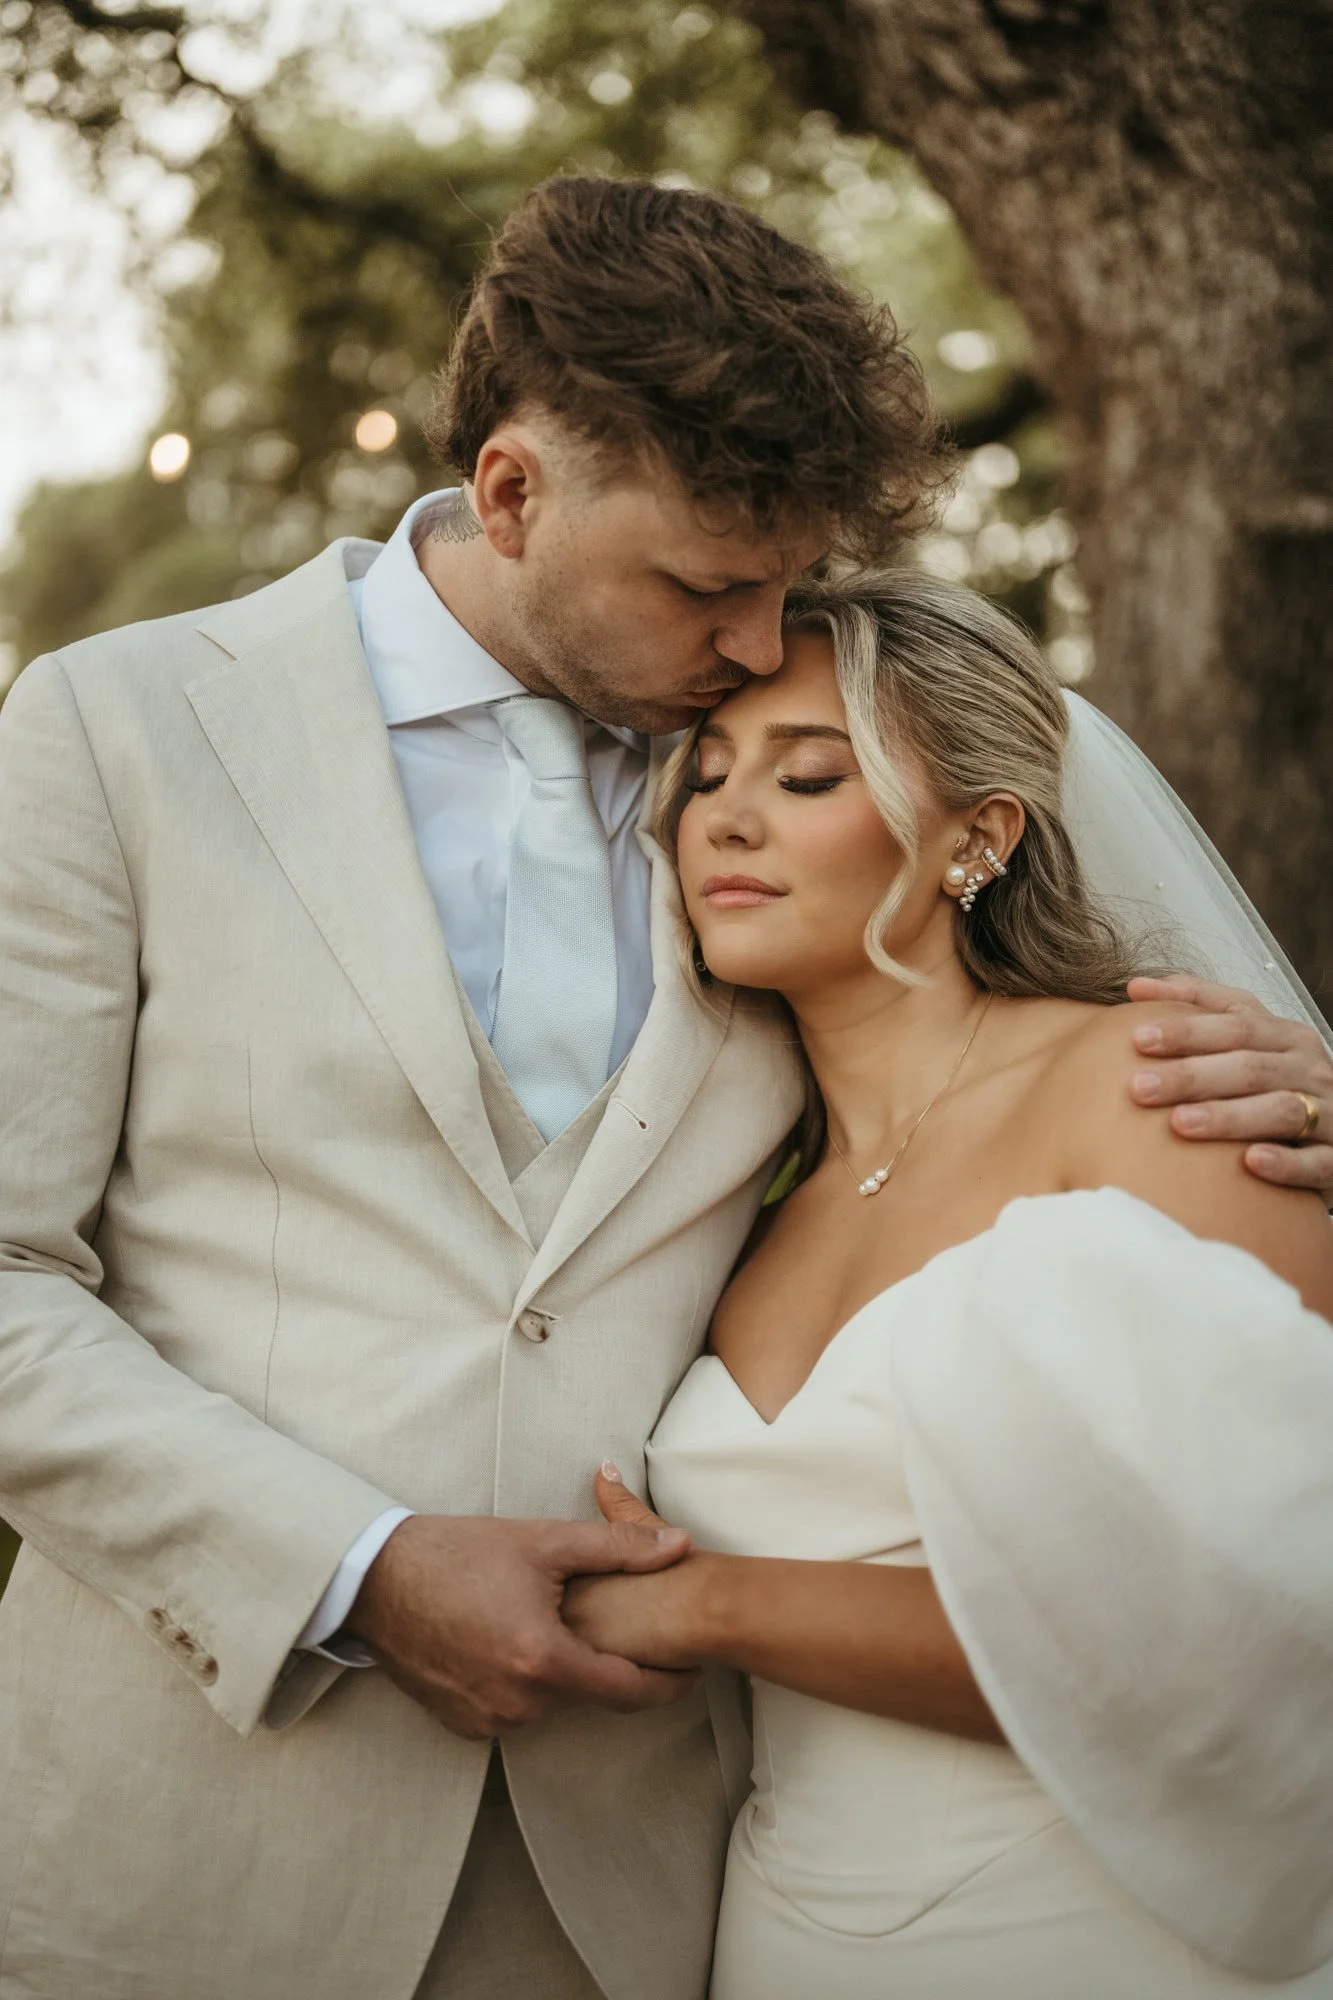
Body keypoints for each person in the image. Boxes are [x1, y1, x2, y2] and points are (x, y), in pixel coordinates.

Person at [0, 178, 1328, 2000]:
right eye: (710, 584)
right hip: (208, 1829)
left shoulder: (772, 817)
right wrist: (358, 1568)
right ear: (514, 490)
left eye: (784, 588)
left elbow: (978, 1100)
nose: (756, 638)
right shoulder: (113, 729)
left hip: (654, 1872)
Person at [564, 567, 1333, 1999]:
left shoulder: (1156, 1089)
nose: (723, 816)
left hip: (1103, 1940)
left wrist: (705, 1605)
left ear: (978, 838)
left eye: (807, 776)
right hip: (780, 1937)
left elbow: (1233, 1643)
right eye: (705, 774)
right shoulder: (740, 1199)